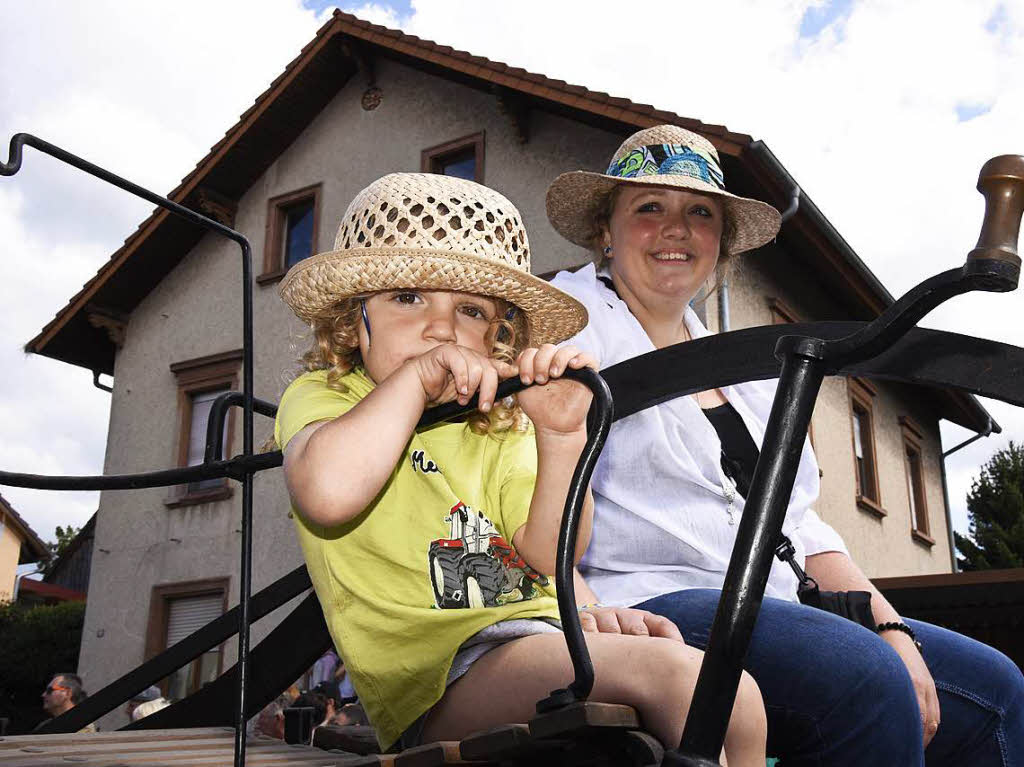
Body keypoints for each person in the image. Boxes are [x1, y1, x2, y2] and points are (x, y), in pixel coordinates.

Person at [545, 124, 1024, 766]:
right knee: (866, 681)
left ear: (720, 244)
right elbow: (517, 484)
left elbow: (804, 527)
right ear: (606, 230)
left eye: (700, 213)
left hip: (778, 608)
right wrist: (583, 609)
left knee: (999, 689)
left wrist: (890, 627)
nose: (676, 229)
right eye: (649, 207)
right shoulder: (565, 327)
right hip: (648, 602)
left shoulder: (752, 373)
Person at [274, 172, 767, 764]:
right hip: (437, 676)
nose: (441, 327)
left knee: (730, 692)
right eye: (408, 298)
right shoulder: (329, 399)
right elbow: (326, 493)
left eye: (472, 311)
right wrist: (415, 379)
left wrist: (561, 438)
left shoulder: (495, 425)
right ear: (355, 321)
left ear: (496, 339)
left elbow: (551, 552)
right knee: (689, 684)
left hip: (541, 637)